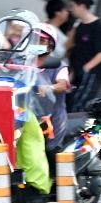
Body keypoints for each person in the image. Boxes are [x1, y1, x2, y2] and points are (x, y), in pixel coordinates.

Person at [65, 0, 101, 112]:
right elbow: (73, 49)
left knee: (78, 105)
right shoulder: (79, 26)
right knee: (69, 103)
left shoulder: (98, 26)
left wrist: (86, 68)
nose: (71, 10)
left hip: (90, 75)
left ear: (82, 6)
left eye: (73, 6)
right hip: (77, 73)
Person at [32, 23, 70, 152]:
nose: (37, 43)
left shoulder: (59, 66)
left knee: (51, 156)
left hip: (52, 121)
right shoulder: (24, 64)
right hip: (28, 118)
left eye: (42, 40)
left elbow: (62, 85)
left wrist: (48, 88)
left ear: (50, 45)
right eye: (35, 39)